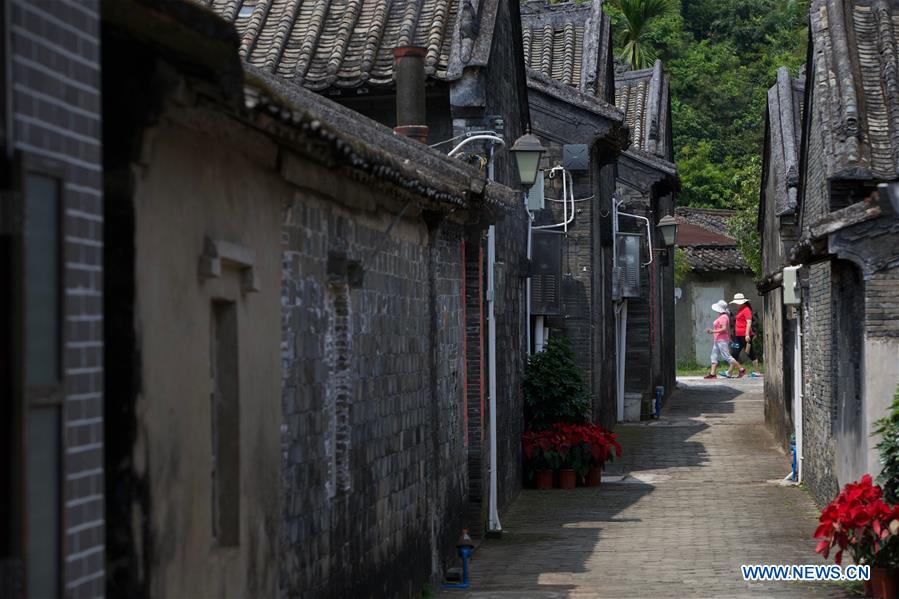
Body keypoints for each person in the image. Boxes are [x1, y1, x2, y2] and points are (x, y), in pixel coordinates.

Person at [704, 300, 740, 379]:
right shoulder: (721, 316)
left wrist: (712, 331)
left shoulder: (724, 317)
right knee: (714, 356)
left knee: (726, 356)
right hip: (717, 339)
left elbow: (724, 329)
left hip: (722, 340)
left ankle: (741, 369)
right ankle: (712, 374)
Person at [730, 293, 761, 378]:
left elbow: (749, 322)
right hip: (738, 336)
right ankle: (729, 372)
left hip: (745, 336)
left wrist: (747, 334)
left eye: (737, 302)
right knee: (734, 352)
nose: (736, 304)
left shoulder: (746, 309)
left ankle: (757, 371)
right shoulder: (740, 310)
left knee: (750, 353)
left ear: (742, 302)